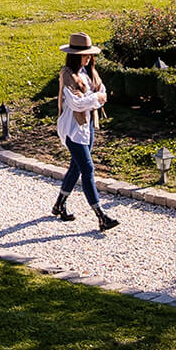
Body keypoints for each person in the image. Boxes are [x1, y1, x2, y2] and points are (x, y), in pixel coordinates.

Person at [53, 32, 119, 231]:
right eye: (84, 54)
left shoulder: (90, 72)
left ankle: (59, 205)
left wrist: (98, 96)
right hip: (72, 129)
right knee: (88, 169)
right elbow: (75, 103)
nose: (88, 57)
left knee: (77, 166)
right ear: (74, 55)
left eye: (90, 54)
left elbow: (102, 90)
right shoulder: (68, 75)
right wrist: (96, 99)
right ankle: (101, 216)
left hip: (87, 127)